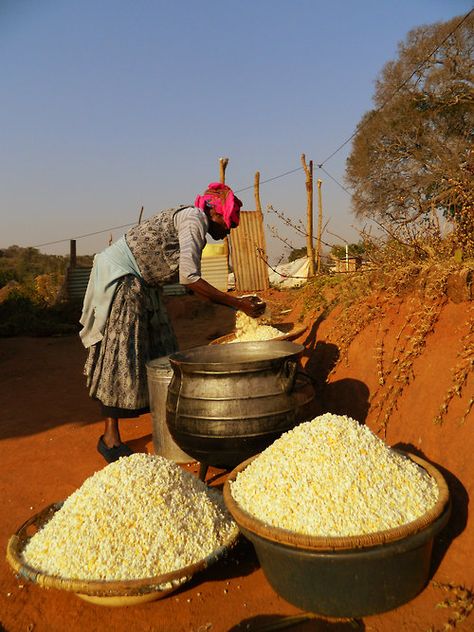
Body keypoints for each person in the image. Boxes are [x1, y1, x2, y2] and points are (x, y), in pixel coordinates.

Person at [79, 182, 266, 463]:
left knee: (164, 350)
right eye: (228, 223)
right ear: (215, 214)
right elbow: (190, 279)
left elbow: (190, 280)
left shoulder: (196, 221)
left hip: (144, 282)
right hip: (123, 279)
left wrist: (235, 300)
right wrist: (239, 304)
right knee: (122, 356)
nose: (228, 230)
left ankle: (170, 425)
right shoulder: (194, 222)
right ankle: (110, 438)